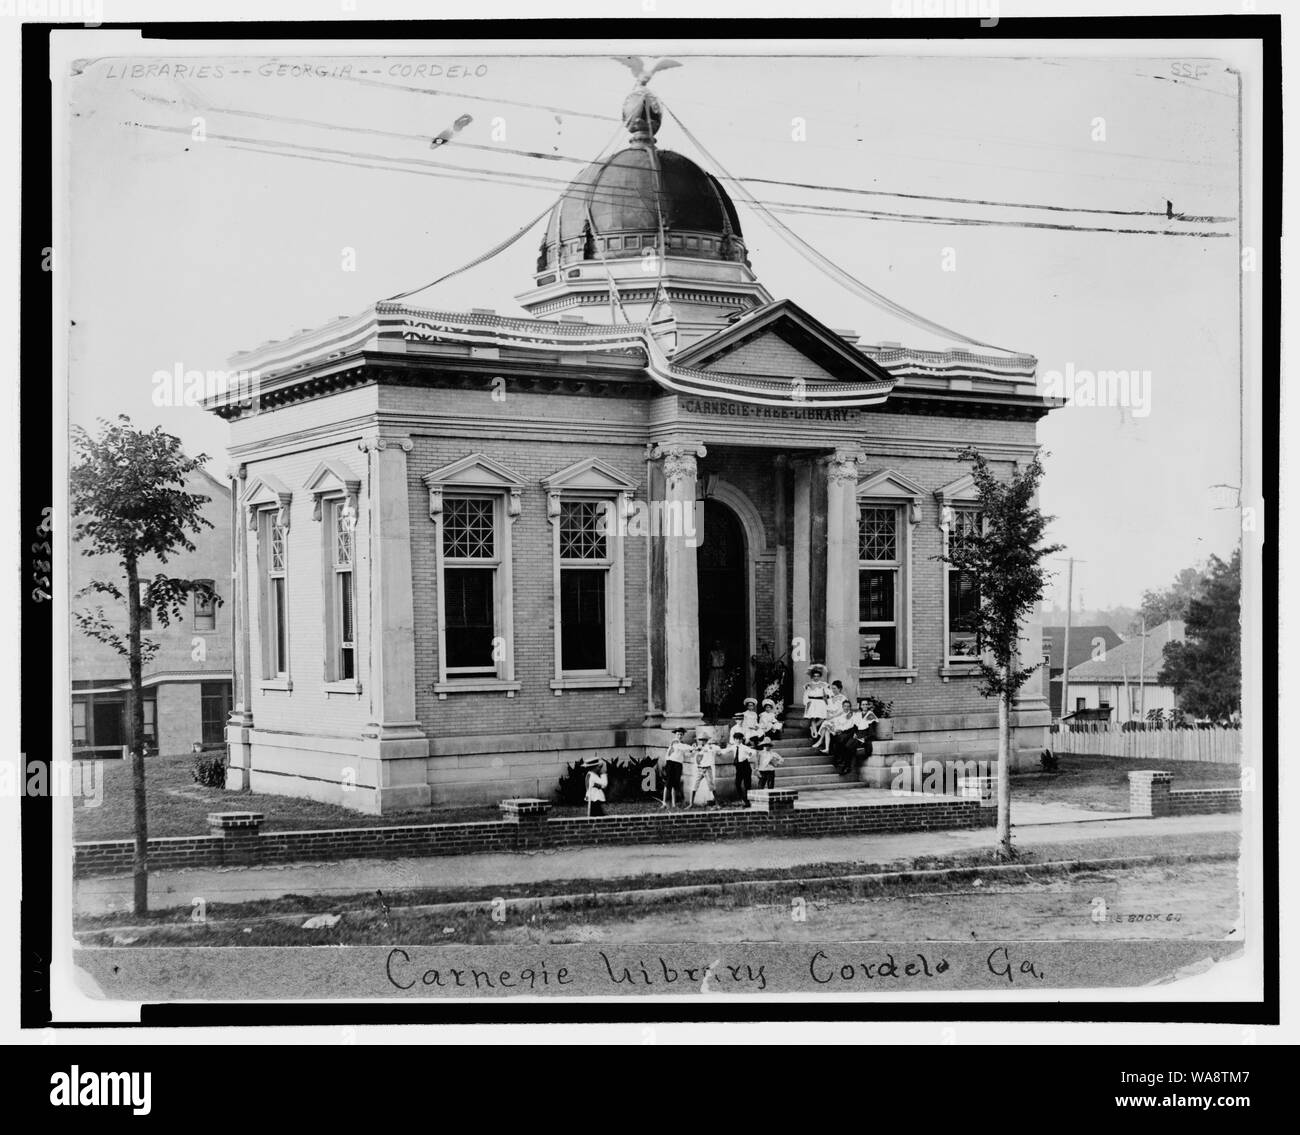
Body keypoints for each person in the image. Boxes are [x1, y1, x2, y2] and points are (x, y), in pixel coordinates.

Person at [830, 697, 877, 773]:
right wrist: (853, 733)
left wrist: (864, 738)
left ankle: (847, 766)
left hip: (865, 737)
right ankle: (841, 762)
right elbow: (855, 727)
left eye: (866, 704)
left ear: (868, 706)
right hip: (857, 735)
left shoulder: (871, 715)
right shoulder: (858, 715)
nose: (864, 706)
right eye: (863, 704)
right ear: (860, 706)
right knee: (844, 742)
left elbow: (872, 732)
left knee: (849, 746)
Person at [687, 728, 720, 808]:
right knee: (694, 785)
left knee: (711, 786)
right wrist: (693, 749)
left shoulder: (710, 747)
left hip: (707, 769)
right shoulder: (697, 748)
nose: (702, 741)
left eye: (704, 740)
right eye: (700, 740)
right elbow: (690, 755)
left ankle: (717, 803)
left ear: (707, 740)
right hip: (699, 769)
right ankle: (691, 804)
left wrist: (706, 748)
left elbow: (717, 749)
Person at [661, 726, 690, 809]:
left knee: (675, 783)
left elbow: (686, 754)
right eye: (678, 734)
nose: (679, 736)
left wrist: (692, 751)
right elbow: (680, 748)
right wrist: (692, 747)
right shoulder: (675, 742)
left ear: (683, 735)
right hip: (671, 763)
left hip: (678, 764)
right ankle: (664, 803)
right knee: (668, 783)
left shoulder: (683, 744)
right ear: (675, 735)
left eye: (681, 734)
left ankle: (674, 804)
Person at [725, 727, 755, 808]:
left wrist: (747, 757)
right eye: (736, 739)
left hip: (745, 766)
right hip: (738, 767)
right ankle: (743, 799)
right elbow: (725, 751)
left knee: (747, 785)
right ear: (734, 740)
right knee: (737, 784)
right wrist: (718, 752)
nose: (738, 741)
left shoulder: (744, 747)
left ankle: (748, 801)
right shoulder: (733, 747)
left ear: (742, 740)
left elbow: (753, 752)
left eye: (739, 739)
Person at [802, 664, 833, 737]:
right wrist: (806, 703)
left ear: (820, 676)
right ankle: (815, 732)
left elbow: (828, 695)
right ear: (812, 676)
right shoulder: (808, 685)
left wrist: (828, 703)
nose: (816, 678)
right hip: (812, 702)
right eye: (815, 676)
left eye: (818, 676)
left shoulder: (824, 684)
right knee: (813, 717)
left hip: (820, 702)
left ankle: (813, 727)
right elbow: (806, 694)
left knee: (823, 717)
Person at [703, 639, 728, 719]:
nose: (717, 645)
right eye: (716, 643)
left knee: (721, 690)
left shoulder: (723, 653)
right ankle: (712, 713)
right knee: (712, 691)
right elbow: (708, 664)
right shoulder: (711, 653)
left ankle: (721, 711)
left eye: (719, 643)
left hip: (721, 672)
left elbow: (726, 663)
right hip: (713, 672)